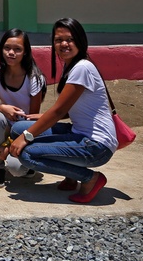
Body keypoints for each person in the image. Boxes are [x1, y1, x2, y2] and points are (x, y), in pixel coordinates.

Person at [9, 18, 117, 203]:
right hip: (80, 133)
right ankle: (70, 175)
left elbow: (58, 112)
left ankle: (89, 178)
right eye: (58, 40)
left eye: (69, 39)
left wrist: (26, 137)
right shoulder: (72, 64)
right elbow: (71, 108)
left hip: (96, 146)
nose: (64, 44)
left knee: (27, 154)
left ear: (80, 41)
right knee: (18, 127)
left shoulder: (82, 67)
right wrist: (38, 121)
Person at [0, 29, 46, 186]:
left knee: (17, 170)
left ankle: (26, 161)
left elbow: (32, 119)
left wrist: (8, 145)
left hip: (23, 131)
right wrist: (2, 108)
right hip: (3, 126)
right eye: (7, 48)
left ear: (25, 52)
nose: (11, 53)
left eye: (17, 49)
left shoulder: (34, 78)